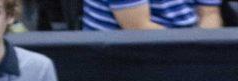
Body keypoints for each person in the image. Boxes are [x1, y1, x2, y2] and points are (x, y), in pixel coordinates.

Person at [82, 0, 221, 30]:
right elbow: (138, 28)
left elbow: (210, 13)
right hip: (122, 59)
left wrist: (206, 52)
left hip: (185, 50)